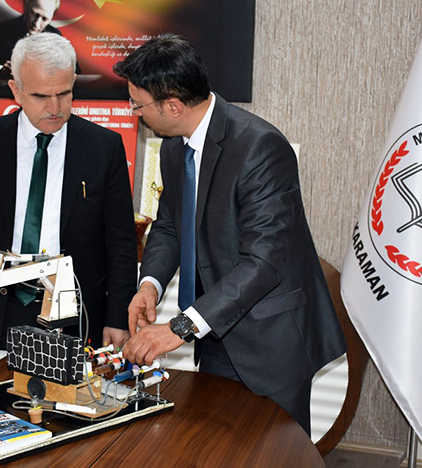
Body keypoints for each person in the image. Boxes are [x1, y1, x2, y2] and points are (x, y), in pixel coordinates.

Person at [114, 33, 346, 435]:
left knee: (276, 457)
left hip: (272, 343)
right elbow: (168, 226)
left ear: (173, 105)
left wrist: (179, 327)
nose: (135, 113)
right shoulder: (173, 147)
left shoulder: (260, 147)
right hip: (215, 333)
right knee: (216, 448)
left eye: (137, 104)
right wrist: (149, 284)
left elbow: (263, 263)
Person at [0, 33, 137, 351]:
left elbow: (121, 242)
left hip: (75, 310)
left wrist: (117, 317)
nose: (54, 107)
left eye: (64, 93)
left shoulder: (103, 147)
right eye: (41, 96)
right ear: (16, 90)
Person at [0, 0, 68, 81]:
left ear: (52, 17)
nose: (36, 24)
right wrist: (1, 71)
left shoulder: (55, 37)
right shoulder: (2, 31)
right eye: (35, 14)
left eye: (44, 19)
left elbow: (70, 71)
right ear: (27, 5)